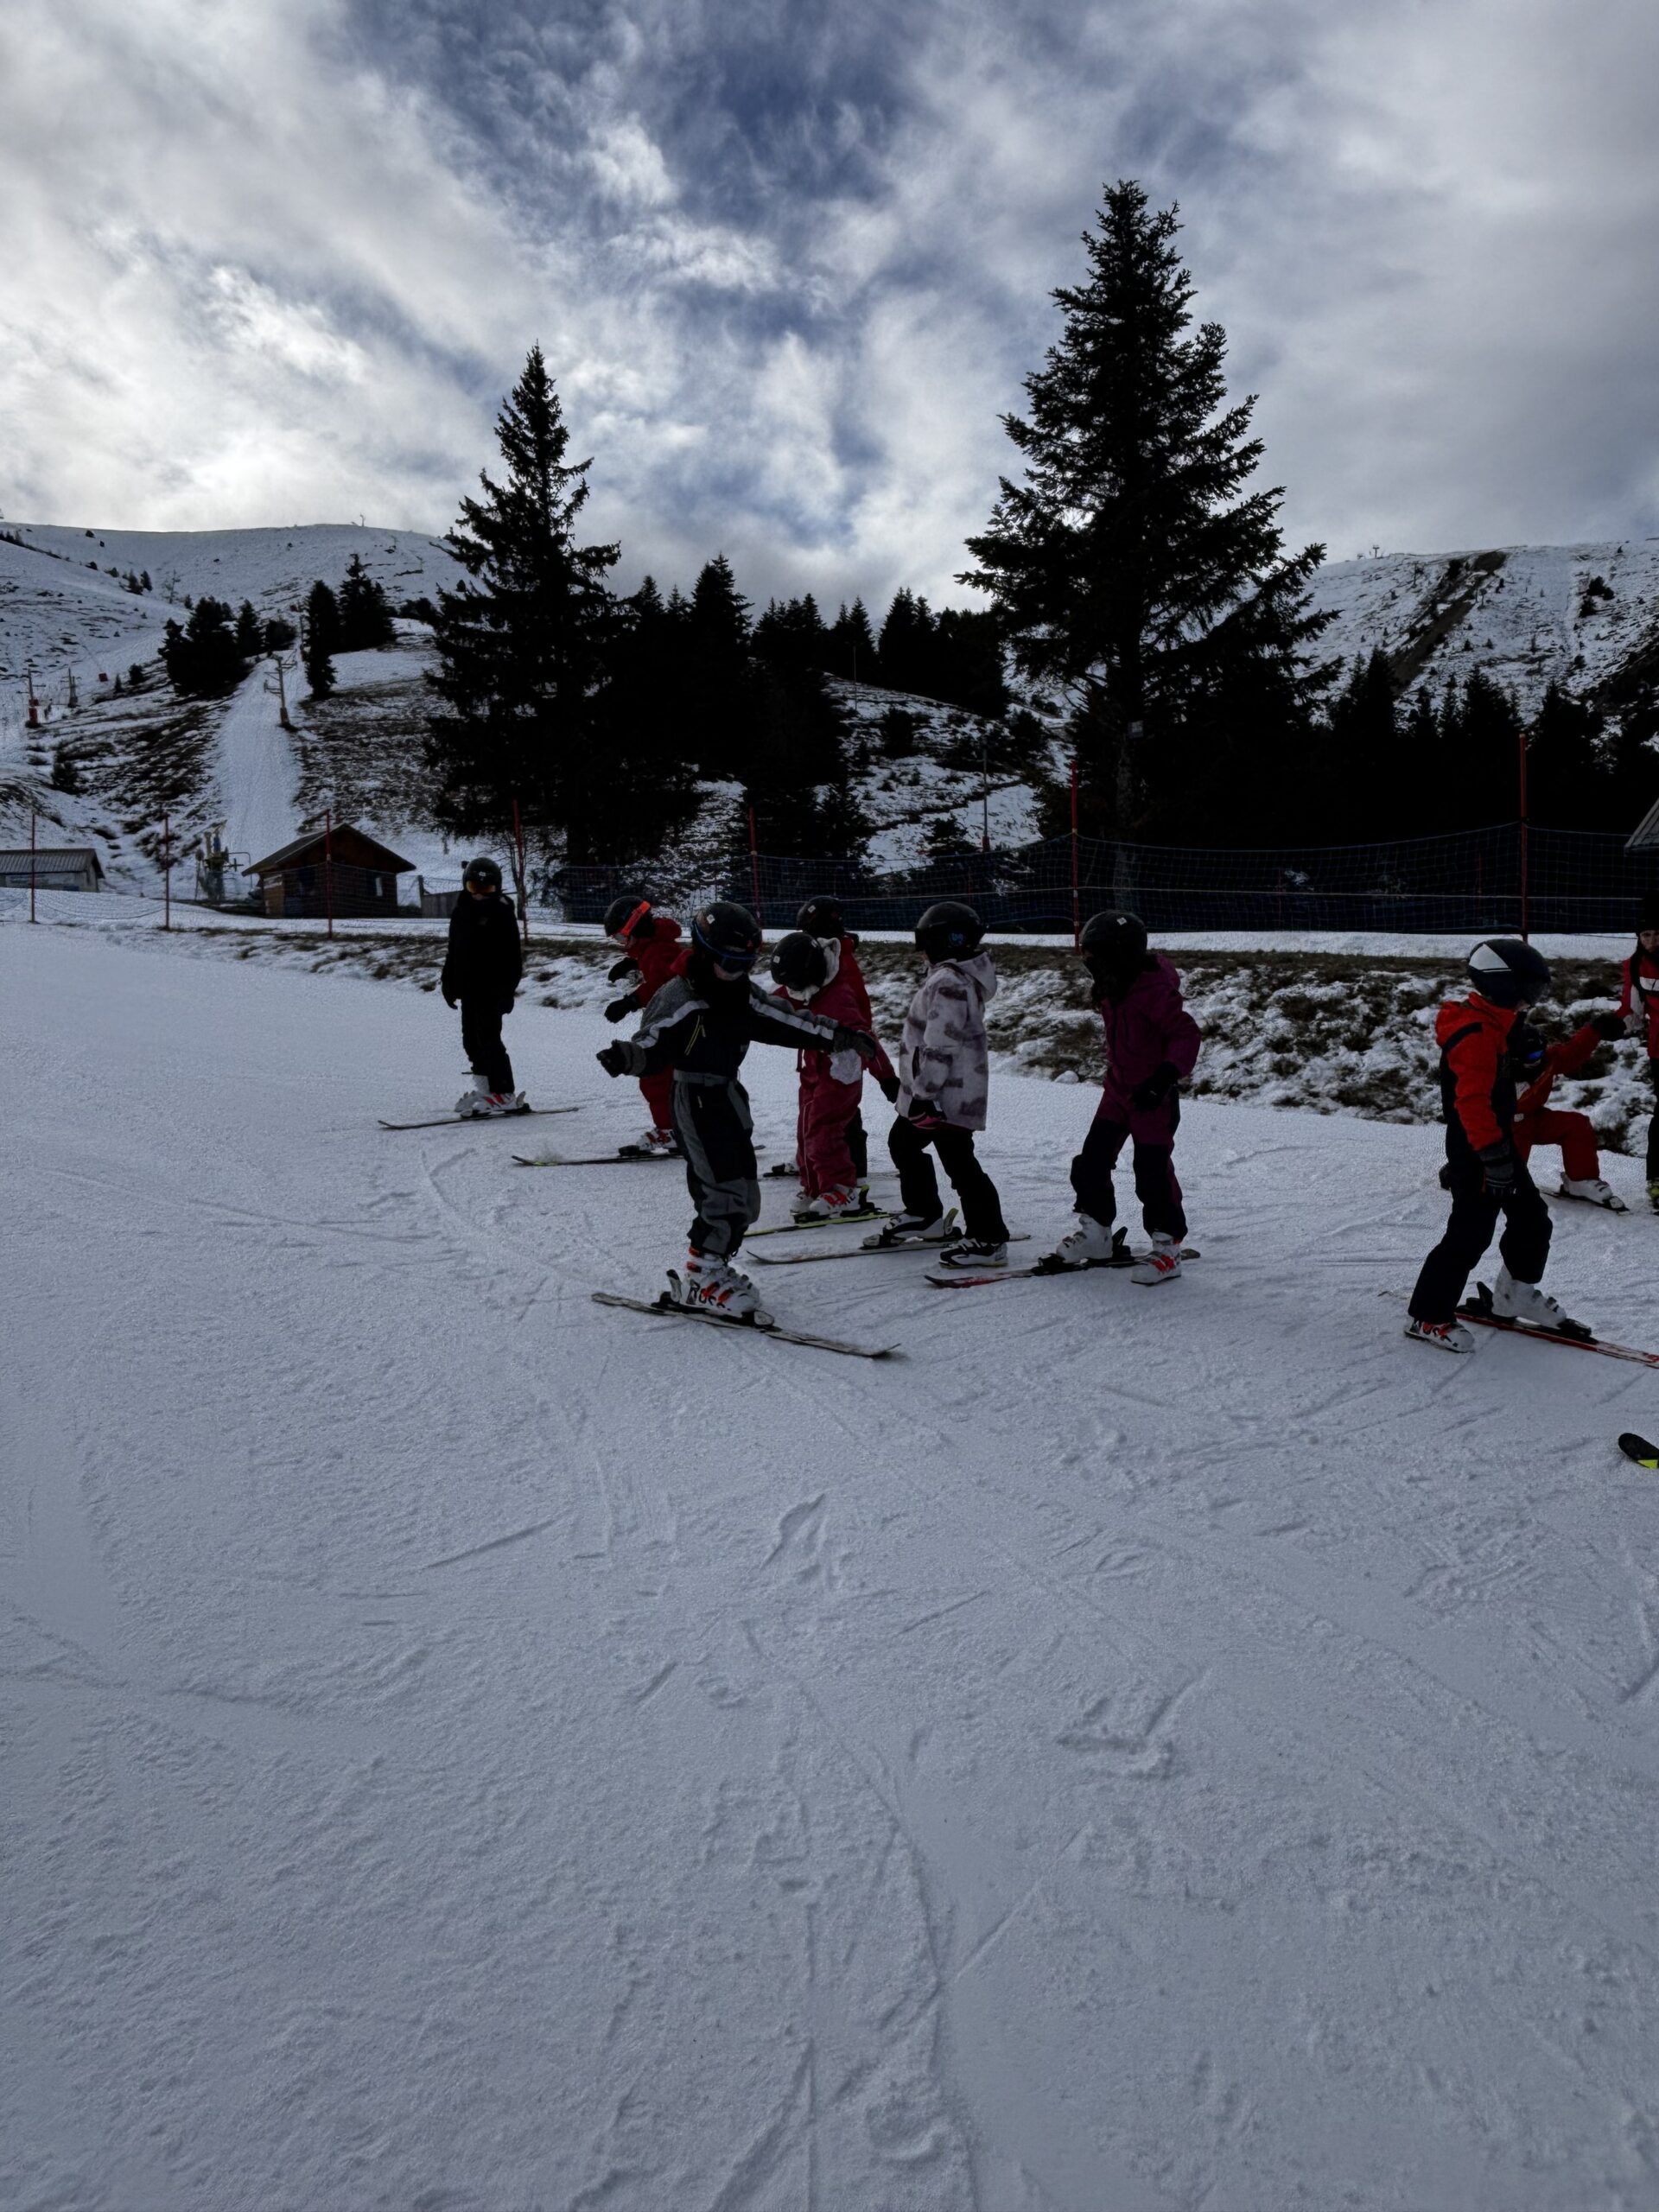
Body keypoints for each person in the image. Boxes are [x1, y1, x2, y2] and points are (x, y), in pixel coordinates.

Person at [596, 901, 878, 1316]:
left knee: (745, 1191)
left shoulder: (740, 994)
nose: (734, 971)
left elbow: (786, 1019)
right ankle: (701, 1274)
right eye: (727, 961)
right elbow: (651, 1044)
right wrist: (626, 1057)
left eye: (745, 963)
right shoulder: (680, 997)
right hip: (692, 1099)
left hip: (727, 1095)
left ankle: (714, 1265)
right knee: (720, 1188)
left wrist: (840, 1035)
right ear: (705, 950)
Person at [1406, 938, 1576, 1353]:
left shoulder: (1494, 1023)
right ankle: (1427, 1315)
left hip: (1494, 1144)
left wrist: (1518, 1039)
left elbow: (1502, 1063)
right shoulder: (1477, 1034)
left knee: (1532, 1219)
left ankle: (1514, 1294)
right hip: (1478, 1148)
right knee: (1469, 1234)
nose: (1531, 1002)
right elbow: (1471, 1102)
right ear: (1503, 986)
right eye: (1528, 992)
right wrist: (1493, 1157)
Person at [1041, 910, 1201, 1285]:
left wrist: (1162, 1078)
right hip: (1117, 1092)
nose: (1090, 965)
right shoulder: (1113, 985)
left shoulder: (1153, 991)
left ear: (1122, 954)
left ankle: (1167, 1247)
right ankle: (1097, 1235)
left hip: (1151, 1098)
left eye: (1096, 957)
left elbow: (1186, 1036)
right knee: (1091, 1161)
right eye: (1088, 958)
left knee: (1152, 1173)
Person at [887, 901, 1009, 1268]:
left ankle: (989, 1237)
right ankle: (925, 1214)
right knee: (903, 1144)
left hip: (945, 1096)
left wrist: (924, 1094)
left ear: (947, 941)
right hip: (933, 1094)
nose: (922, 952)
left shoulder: (950, 982)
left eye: (926, 944)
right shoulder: (948, 977)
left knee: (959, 1162)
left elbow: (941, 1044)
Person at [770, 931, 897, 1221]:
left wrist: (887, 1078)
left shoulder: (838, 998)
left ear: (810, 973)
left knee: (823, 1131)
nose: (792, 989)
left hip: (840, 1075)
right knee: (806, 1129)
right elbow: (770, 1004)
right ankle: (815, 1187)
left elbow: (866, 1040)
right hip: (813, 1071)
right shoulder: (806, 989)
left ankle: (843, 1190)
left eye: (794, 982)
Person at [796, 895, 897, 1181]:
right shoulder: (823, 958)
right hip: (822, 1047)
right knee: (819, 1111)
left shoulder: (838, 964)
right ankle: (814, 1158)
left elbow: (857, 1020)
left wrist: (884, 1074)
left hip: (845, 1045)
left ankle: (852, 1167)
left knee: (841, 1113)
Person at [1510, 1014, 1629, 1208]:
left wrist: (1595, 1029)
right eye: (1532, 1056)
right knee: (1500, 1183)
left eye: (1541, 1052)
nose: (1538, 1059)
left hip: (1533, 1120)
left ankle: (1580, 1181)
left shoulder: (1547, 1060)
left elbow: (1573, 1053)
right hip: (1503, 1130)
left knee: (1576, 1125)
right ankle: (1463, 1171)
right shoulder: (1494, 1071)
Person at [601, 893, 688, 1154]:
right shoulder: (657, 946)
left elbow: (662, 987)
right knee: (669, 1077)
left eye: (621, 938)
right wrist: (632, 961)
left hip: (672, 1024)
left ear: (634, 928)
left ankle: (670, 1131)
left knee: (654, 1076)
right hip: (675, 1022)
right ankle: (679, 1127)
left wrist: (629, 1002)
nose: (621, 944)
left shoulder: (658, 952)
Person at [441, 856, 525, 1116]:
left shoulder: (501, 912)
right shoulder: (461, 911)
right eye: (473, 888)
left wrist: (506, 992)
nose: (479, 895)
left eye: (486, 889)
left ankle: (505, 1093)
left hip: (492, 989)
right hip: (469, 989)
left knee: (489, 1040)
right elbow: (454, 951)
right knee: (471, 1041)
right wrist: (448, 982)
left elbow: (513, 958)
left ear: (496, 888)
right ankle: (486, 1089)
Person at [1616, 892, 1659, 1210]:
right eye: (1647, 935)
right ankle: (1656, 1181)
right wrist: (1610, 1027)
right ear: (1638, 938)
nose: (1653, 940)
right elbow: (1631, 1009)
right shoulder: (1633, 966)